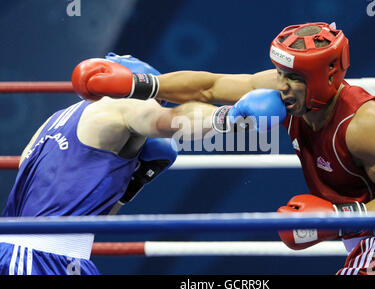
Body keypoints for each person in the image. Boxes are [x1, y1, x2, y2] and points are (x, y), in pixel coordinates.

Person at [133, 22, 375, 275]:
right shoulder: (283, 95)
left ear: (328, 75)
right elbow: (210, 86)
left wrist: (335, 219)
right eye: (279, 72)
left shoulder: (364, 123)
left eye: (294, 76)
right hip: (366, 251)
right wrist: (138, 85)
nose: (281, 84)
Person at [0, 56, 286, 275]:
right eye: (157, 99)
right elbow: (171, 122)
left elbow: (71, 206)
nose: (157, 104)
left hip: (35, 254)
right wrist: (229, 117)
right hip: (37, 258)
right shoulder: (125, 105)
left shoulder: (55, 120)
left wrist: (131, 184)